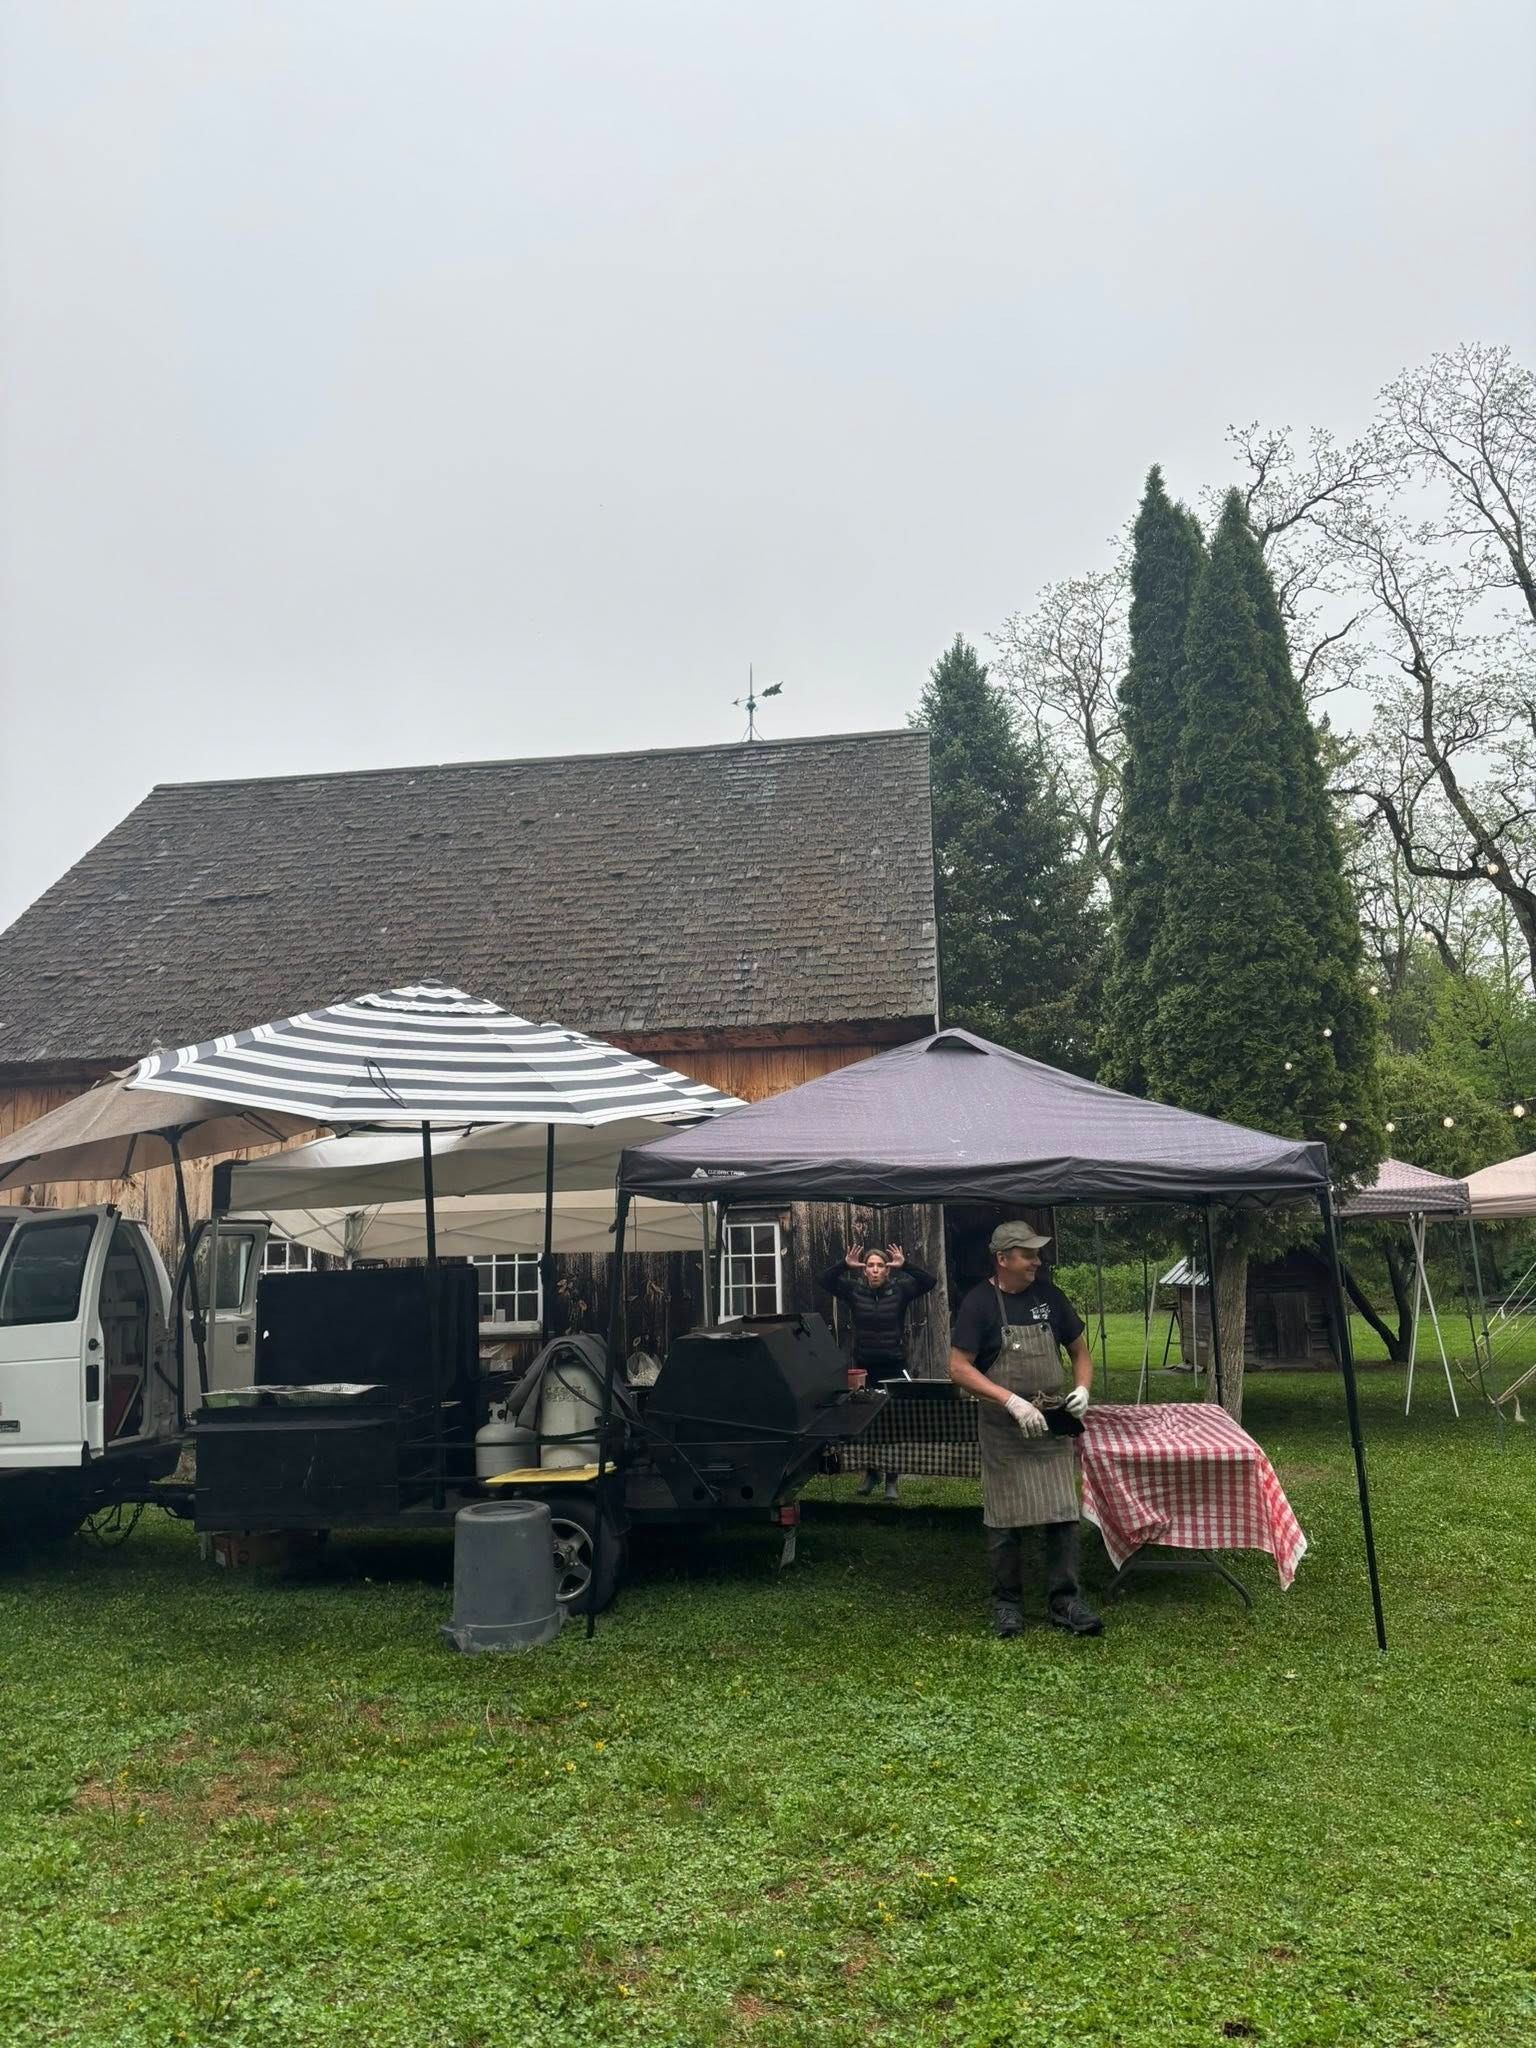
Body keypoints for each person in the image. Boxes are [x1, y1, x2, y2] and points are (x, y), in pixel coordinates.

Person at [948, 1220, 1102, 1638]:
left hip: (1050, 1424)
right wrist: (1009, 1399)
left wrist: (1083, 1389)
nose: (1038, 1260)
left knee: (1062, 1515)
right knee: (1005, 1519)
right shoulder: (978, 1303)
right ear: (1003, 1259)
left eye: (1037, 1253)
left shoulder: (1050, 1297)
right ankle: (1007, 1603)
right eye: (1028, 1254)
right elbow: (958, 1368)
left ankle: (1065, 1600)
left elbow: (1079, 1352)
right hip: (1003, 1427)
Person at [819, 1240, 936, 1500]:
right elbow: (824, 1280)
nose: (874, 1270)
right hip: (865, 1365)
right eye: (870, 1265)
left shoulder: (901, 1290)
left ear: (887, 1270)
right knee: (867, 1422)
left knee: (893, 1422)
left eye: (880, 1266)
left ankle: (892, 1479)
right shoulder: (854, 1291)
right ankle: (872, 1473)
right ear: (863, 1270)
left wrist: (906, 1265)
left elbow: (929, 1282)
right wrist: (843, 1264)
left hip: (893, 1364)